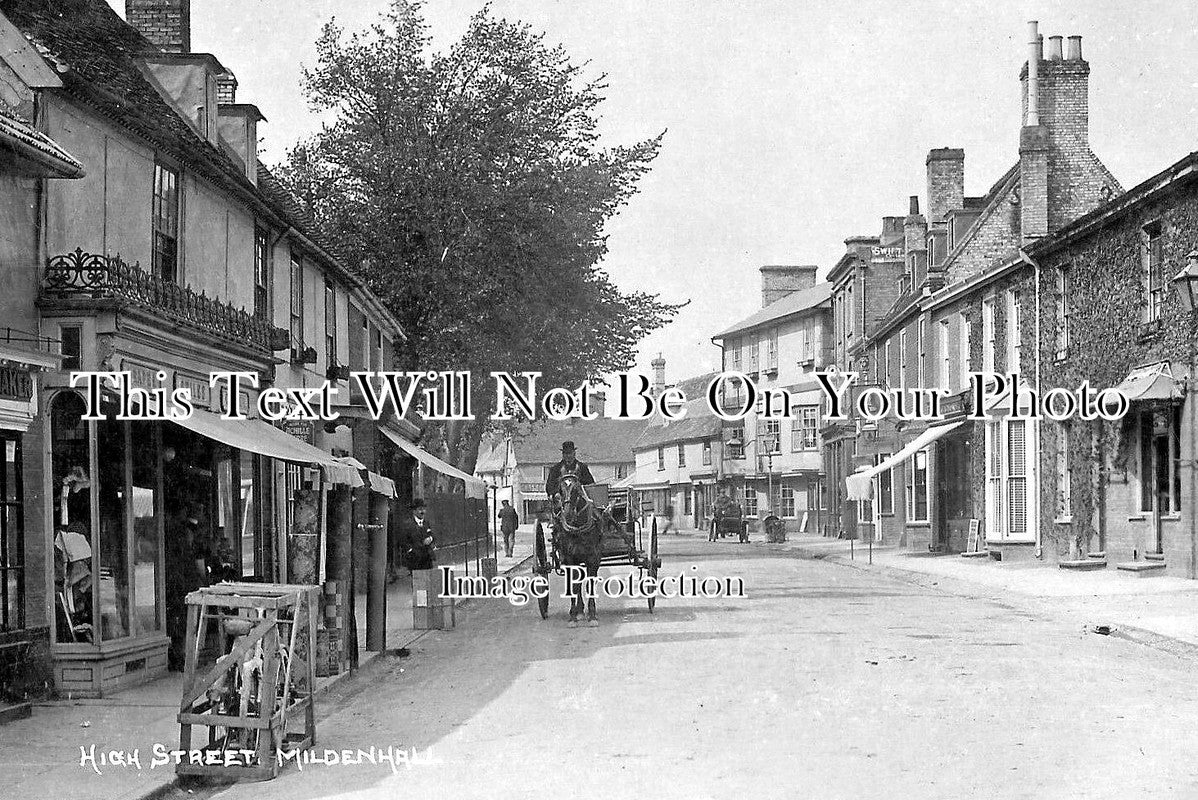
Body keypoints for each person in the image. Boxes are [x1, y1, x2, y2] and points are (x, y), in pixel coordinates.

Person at [400, 498, 436, 571]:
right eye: (420, 509)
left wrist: (430, 539)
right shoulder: (408, 524)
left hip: (427, 558)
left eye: (424, 509)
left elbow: (432, 535)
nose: (423, 512)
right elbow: (403, 540)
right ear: (414, 511)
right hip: (415, 560)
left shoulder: (427, 523)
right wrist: (411, 551)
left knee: (428, 579)